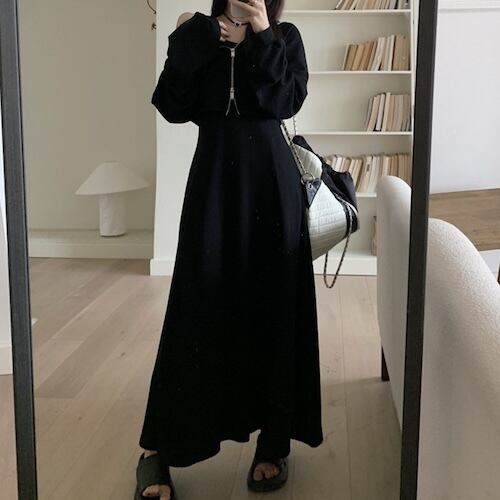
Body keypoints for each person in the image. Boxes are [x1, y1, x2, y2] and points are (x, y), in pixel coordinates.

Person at [134, 1, 323, 498]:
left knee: (274, 310)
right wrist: (190, 43)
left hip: (272, 191)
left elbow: (286, 102)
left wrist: (260, 34)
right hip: (215, 186)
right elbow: (173, 106)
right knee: (197, 307)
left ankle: (273, 441)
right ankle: (158, 446)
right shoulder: (196, 33)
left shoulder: (284, 36)